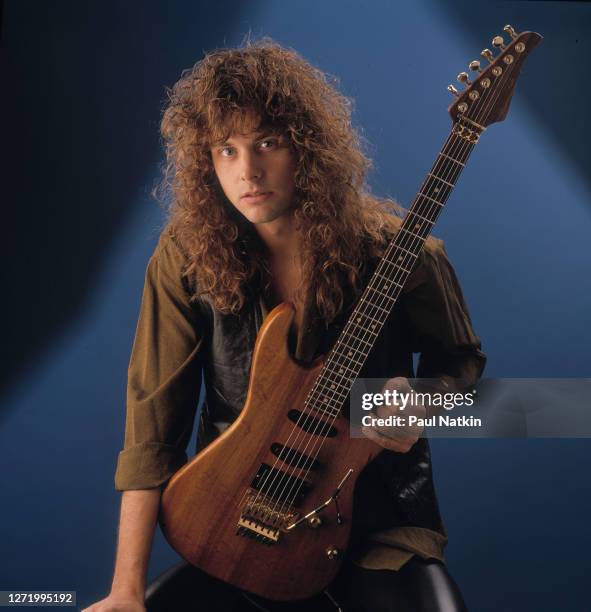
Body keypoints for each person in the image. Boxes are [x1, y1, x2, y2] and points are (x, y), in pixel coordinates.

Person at [83, 39, 486, 612]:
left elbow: (466, 369)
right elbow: (153, 425)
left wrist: (424, 401)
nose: (247, 171)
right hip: (240, 518)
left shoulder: (403, 255)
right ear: (205, 162)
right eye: (225, 150)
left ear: (306, 148)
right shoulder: (186, 256)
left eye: (267, 143)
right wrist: (125, 590)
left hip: (378, 524)